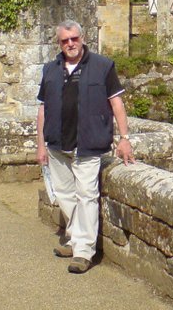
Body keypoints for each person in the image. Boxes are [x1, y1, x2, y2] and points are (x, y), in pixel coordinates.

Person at [36, 20, 135, 274]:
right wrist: (40, 145)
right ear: (59, 43)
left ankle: (83, 252)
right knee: (66, 196)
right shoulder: (50, 69)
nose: (70, 44)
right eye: (64, 40)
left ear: (83, 38)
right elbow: (43, 109)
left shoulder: (103, 66)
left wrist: (124, 138)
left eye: (74, 39)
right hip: (57, 145)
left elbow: (117, 103)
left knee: (87, 196)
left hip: (88, 145)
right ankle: (75, 236)